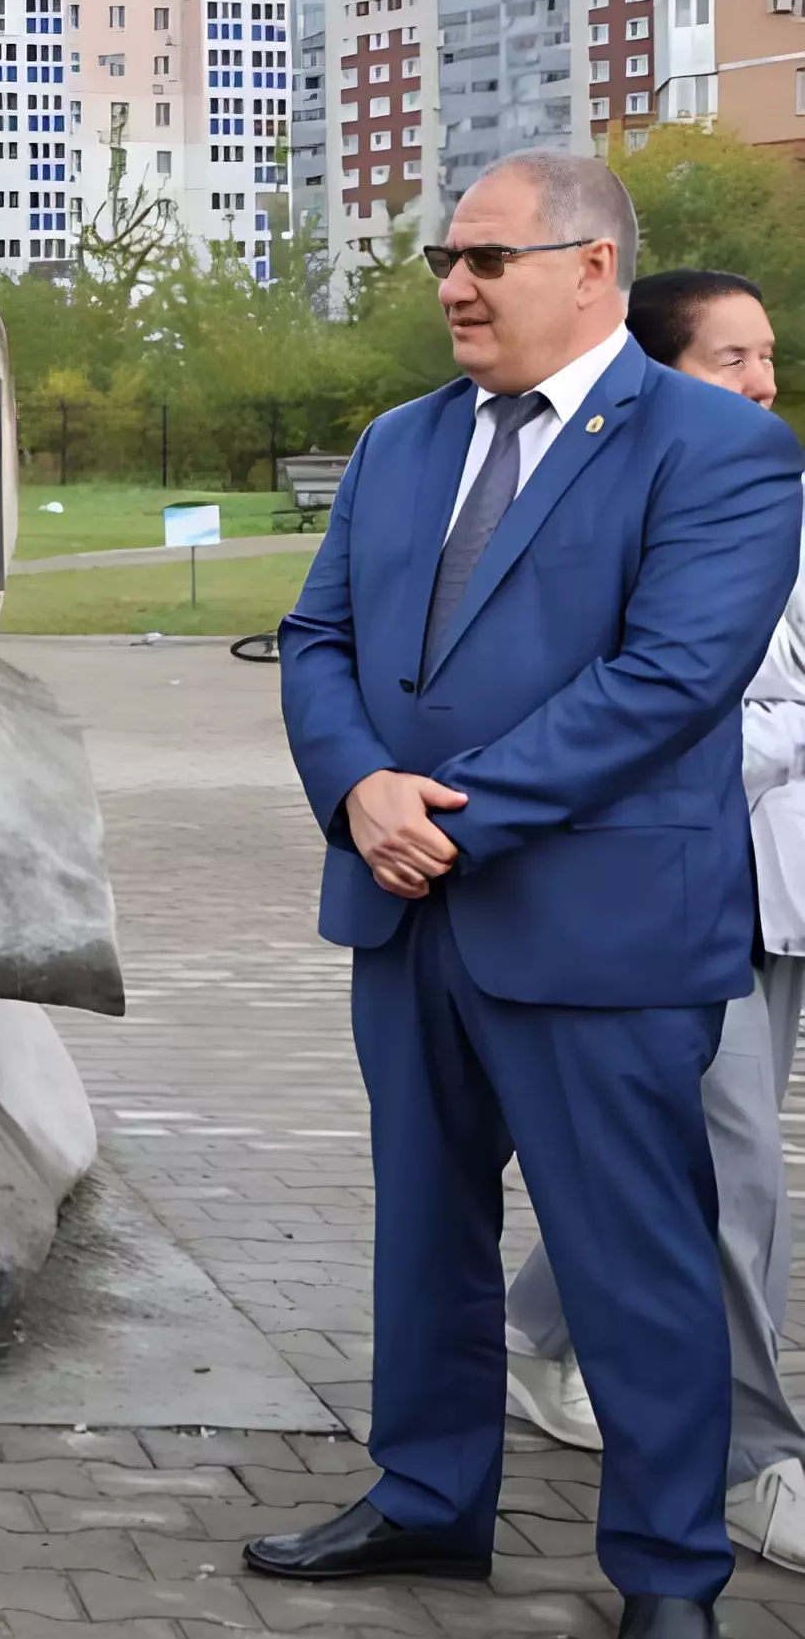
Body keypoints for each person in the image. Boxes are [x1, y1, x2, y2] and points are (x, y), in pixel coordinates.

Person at [261, 151, 802, 1638]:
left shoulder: (716, 448)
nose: (454, 282)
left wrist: (450, 818)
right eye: (448, 255)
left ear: (593, 269)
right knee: (425, 1232)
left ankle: (670, 1571)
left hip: (602, 929)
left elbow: (672, 678)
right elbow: (316, 636)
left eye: (490, 257)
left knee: (635, 1259)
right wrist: (358, 788)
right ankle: (430, 1502)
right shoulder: (399, 441)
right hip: (405, 905)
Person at [501, 267, 805, 1570]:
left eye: (769, 353)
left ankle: (531, 1328)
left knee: (666, 1165)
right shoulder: (596, 515)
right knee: (734, 1176)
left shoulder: (778, 503)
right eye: (729, 355)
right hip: (672, 893)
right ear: (653, 372)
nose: (763, 379)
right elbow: (650, 710)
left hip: (778, 893)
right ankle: (757, 1459)